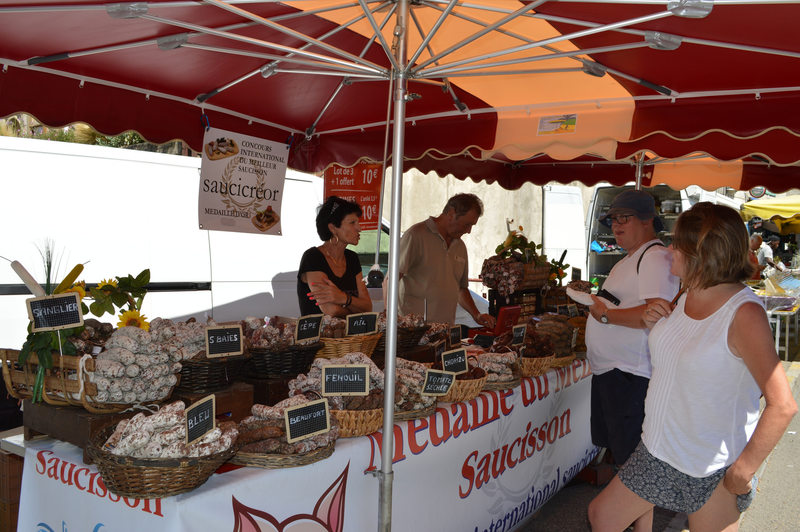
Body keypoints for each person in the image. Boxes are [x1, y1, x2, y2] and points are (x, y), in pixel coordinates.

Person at [588, 202, 797, 532]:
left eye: (677, 243)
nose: (669, 248)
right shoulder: (687, 291)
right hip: (658, 450)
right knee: (602, 516)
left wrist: (744, 471)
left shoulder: (744, 314)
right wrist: (653, 317)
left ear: (702, 252)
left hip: (710, 465)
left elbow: (783, 405)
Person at [586, 189, 680, 532]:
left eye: (624, 218)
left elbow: (655, 312)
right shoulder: (634, 257)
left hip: (630, 375)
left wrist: (606, 316)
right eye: (612, 219)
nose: (616, 225)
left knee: (633, 465)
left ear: (647, 220)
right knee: (628, 463)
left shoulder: (653, 257)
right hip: (617, 373)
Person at [394, 193, 495, 328]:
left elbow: (461, 289)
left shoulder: (460, 246)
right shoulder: (415, 235)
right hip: (414, 332)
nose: (469, 231)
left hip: (445, 330)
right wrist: (390, 318)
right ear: (451, 213)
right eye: (467, 224)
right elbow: (390, 281)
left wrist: (477, 315)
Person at [297, 196, 372, 317]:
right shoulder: (312, 257)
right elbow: (332, 310)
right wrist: (355, 307)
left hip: (350, 335)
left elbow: (368, 307)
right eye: (352, 223)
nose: (360, 228)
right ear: (332, 228)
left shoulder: (352, 258)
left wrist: (342, 298)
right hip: (318, 335)